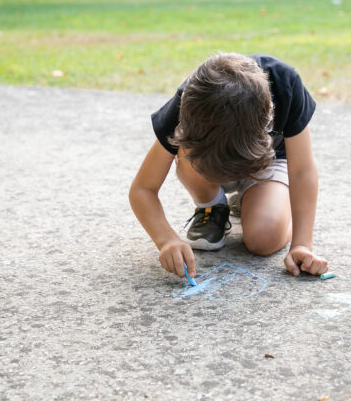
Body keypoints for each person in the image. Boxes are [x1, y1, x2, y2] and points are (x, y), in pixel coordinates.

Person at [129, 52, 328, 280]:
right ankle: (212, 206)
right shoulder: (191, 101)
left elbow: (302, 170)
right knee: (185, 154)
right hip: (205, 160)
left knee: (265, 238)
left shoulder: (286, 85)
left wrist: (302, 244)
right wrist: (166, 239)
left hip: (266, 161)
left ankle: (257, 199)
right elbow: (143, 188)